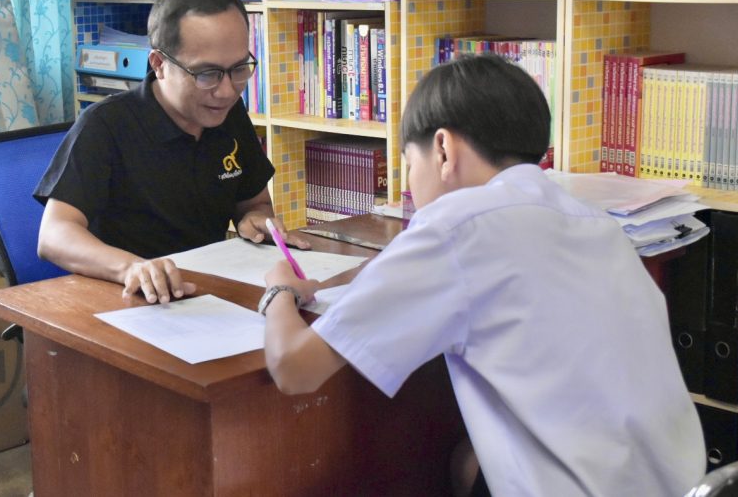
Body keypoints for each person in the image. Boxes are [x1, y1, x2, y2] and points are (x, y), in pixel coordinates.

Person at [260, 54, 706, 496]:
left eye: (409, 164)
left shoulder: (455, 227)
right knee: (467, 462)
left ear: (442, 149)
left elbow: (294, 368)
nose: (411, 184)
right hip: (682, 485)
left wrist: (280, 289)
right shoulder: (593, 221)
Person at [34, 0, 306, 304]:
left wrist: (256, 219)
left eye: (239, 69)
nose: (226, 91)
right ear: (159, 65)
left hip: (204, 291)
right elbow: (54, 235)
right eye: (206, 74)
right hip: (127, 298)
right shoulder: (106, 126)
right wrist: (131, 267)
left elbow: (254, 203)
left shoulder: (228, 114)